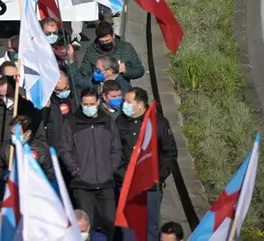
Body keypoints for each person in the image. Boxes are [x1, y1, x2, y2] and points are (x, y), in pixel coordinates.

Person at [57, 88, 122, 241]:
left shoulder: (107, 121)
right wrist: (75, 170)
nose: (88, 107)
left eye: (92, 104)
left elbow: (116, 148)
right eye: (85, 104)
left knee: (110, 222)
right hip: (82, 184)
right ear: (81, 103)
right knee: (85, 226)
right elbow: (65, 150)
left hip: (105, 183)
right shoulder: (71, 122)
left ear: (98, 102)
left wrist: (110, 169)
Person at [116, 88, 178, 241]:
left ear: (140, 104)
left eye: (128, 101)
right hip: (127, 186)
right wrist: (124, 176)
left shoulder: (159, 123)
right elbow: (114, 153)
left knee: (150, 228)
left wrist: (158, 176)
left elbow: (169, 153)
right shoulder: (119, 122)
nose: (124, 104)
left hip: (151, 188)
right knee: (128, 228)